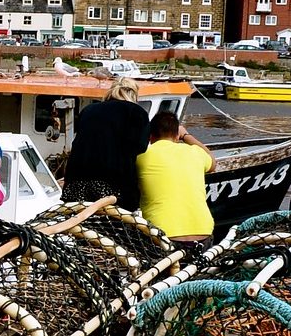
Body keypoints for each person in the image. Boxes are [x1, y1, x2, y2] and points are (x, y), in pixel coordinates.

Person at [62, 76, 149, 207]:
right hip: (113, 185)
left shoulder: (89, 110)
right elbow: (140, 147)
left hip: (75, 183)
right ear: (133, 94)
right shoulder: (136, 112)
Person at [135, 111, 215, 241]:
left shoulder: (141, 156)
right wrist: (186, 136)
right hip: (203, 231)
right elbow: (212, 161)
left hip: (162, 235)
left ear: (150, 136)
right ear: (177, 135)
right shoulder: (195, 152)